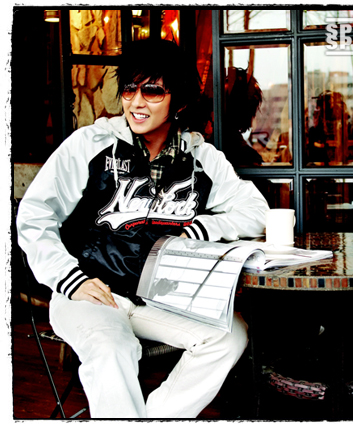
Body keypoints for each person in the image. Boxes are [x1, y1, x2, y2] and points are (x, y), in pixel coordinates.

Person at [16, 39, 269, 419]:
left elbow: (256, 211)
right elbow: (35, 216)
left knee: (230, 336)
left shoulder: (200, 158)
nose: (136, 102)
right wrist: (69, 279)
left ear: (178, 101)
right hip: (91, 292)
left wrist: (203, 227)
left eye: (152, 91)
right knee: (111, 349)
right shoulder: (90, 145)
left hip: (159, 298)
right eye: (130, 89)